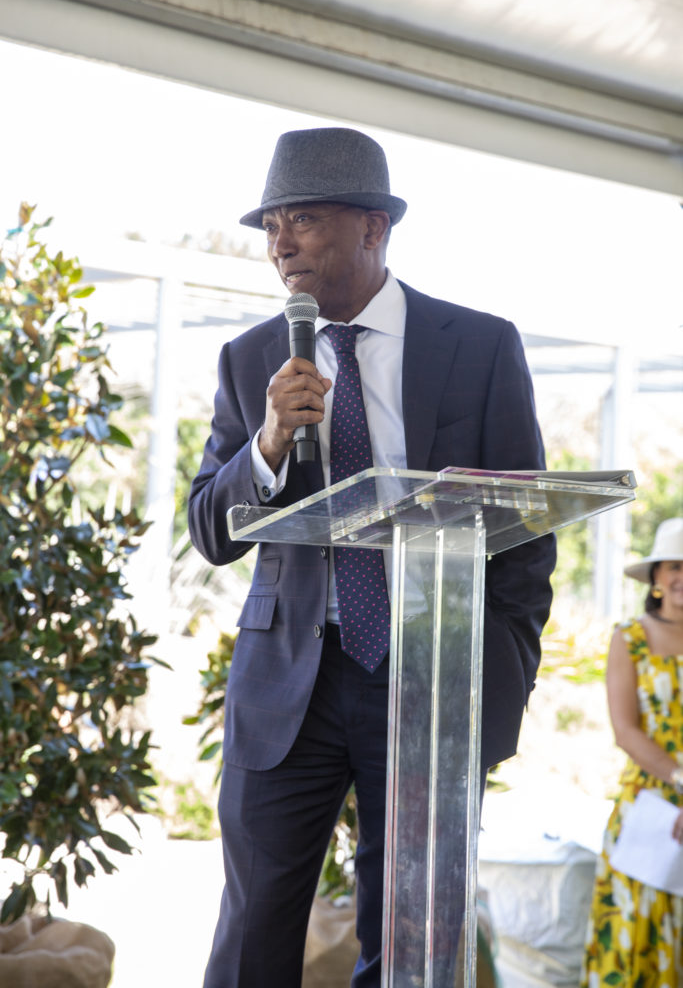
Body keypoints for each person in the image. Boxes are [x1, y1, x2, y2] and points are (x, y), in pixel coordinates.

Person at [188, 126, 556, 988]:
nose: (279, 243)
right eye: (271, 224)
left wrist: (498, 673)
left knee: (412, 937)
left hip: (430, 680)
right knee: (252, 932)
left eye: (303, 219)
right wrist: (268, 442)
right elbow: (210, 528)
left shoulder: (478, 346)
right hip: (289, 688)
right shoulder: (251, 359)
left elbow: (527, 533)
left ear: (372, 227)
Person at [581, 517, 683, 986]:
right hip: (651, 809)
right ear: (656, 576)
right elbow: (625, 730)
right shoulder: (629, 638)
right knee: (635, 934)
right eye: (674, 566)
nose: (682, 576)